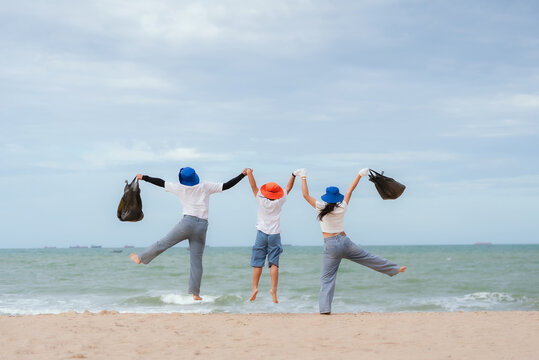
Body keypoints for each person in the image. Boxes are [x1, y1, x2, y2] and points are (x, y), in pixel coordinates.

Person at [297, 168, 406, 314]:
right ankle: (394, 269)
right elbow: (350, 191)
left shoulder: (320, 207)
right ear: (337, 198)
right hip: (345, 241)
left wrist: (303, 177)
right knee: (368, 258)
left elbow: (305, 195)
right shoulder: (342, 207)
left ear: (326, 197)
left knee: (327, 278)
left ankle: (325, 310)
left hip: (331, 246)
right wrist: (360, 175)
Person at [130, 166, 246, 301]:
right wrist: (242, 175)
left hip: (187, 224)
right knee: (196, 261)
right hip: (202, 226)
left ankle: (141, 258)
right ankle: (195, 294)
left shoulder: (179, 187)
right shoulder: (206, 186)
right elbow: (227, 185)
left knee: (164, 243)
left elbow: (160, 182)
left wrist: (143, 177)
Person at [244, 168, 297, 303]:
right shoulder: (280, 200)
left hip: (261, 233)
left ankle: (254, 288)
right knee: (274, 264)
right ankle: (273, 290)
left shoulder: (260, 199)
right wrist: (293, 175)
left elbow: (253, 186)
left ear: (265, 192)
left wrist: (249, 173)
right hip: (275, 235)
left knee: (258, 263)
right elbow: (288, 187)